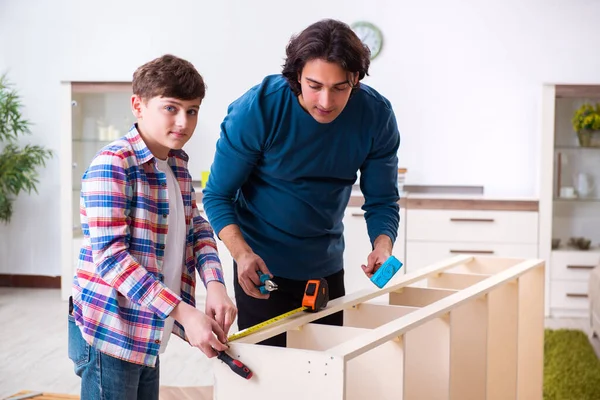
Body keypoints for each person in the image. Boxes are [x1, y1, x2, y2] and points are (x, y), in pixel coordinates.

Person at [203, 19, 400, 347]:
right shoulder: (258, 109)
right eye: (315, 85)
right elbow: (218, 195)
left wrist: (383, 246)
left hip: (324, 270)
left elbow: (382, 200)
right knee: (268, 377)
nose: (326, 101)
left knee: (324, 375)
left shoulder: (376, 116)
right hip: (261, 270)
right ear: (296, 76)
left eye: (340, 87)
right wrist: (242, 254)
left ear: (356, 79)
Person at [68, 54, 237, 400]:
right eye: (171, 108)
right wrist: (184, 312)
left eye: (192, 110)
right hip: (110, 332)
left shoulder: (176, 164)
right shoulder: (113, 164)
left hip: (148, 325)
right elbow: (112, 260)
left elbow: (198, 229)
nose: (183, 121)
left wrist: (216, 283)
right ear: (138, 105)